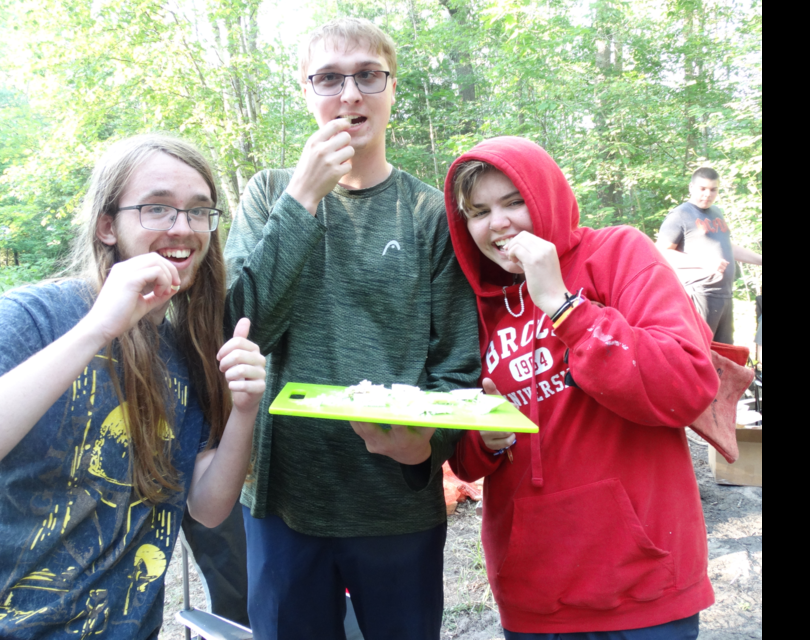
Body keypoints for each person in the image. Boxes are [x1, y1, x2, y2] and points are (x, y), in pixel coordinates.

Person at [0, 134, 267, 639]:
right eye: (157, 208)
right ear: (107, 225)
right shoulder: (34, 317)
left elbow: (207, 505)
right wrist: (97, 328)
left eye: (199, 211)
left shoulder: (191, 349)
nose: (183, 228)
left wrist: (245, 410)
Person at [223, 17, 479, 639]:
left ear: (392, 88)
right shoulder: (268, 195)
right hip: (284, 498)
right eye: (329, 78)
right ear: (306, 92)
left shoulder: (429, 214)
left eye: (368, 75)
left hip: (396, 501)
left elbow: (457, 363)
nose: (350, 94)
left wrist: (426, 451)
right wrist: (304, 199)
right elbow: (237, 324)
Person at [444, 137, 720, 638]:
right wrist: (482, 439)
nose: (498, 222)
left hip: (644, 582)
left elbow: (686, 385)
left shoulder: (617, 253)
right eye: (479, 211)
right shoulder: (474, 306)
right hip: (534, 592)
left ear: (545, 196)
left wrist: (561, 306)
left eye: (513, 201)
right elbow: (462, 460)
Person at [656, 167, 763, 344]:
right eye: (702, 188)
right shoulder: (680, 215)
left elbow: (728, 247)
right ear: (691, 187)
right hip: (699, 294)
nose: (708, 194)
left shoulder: (716, 213)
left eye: (713, 189)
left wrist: (760, 260)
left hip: (724, 295)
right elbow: (662, 253)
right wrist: (704, 263)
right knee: (701, 351)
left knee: (723, 354)